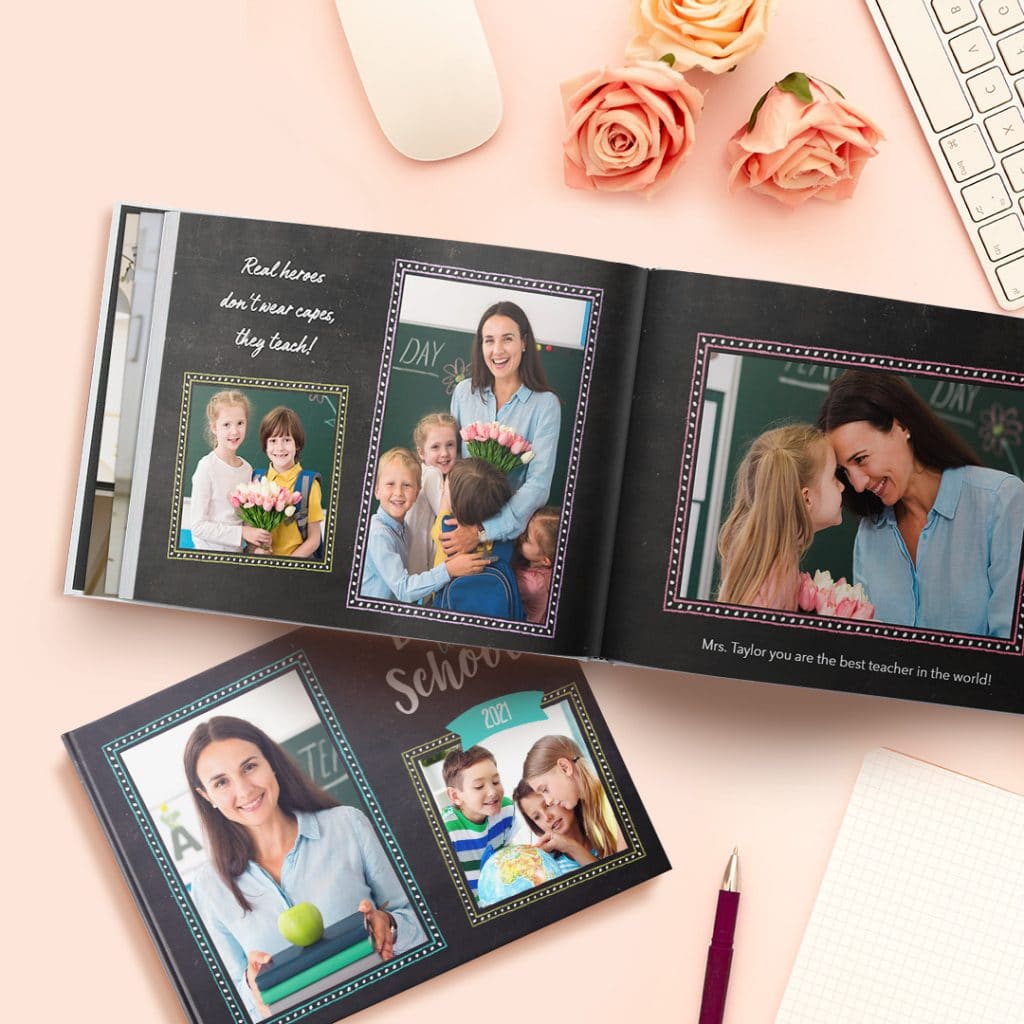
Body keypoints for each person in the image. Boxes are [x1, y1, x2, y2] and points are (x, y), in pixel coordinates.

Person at [184, 716, 425, 1018]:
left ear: (270, 763)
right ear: (207, 797)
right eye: (221, 782)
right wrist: (252, 986)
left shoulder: (347, 824)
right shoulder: (209, 886)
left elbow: (421, 922)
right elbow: (236, 998)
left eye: (249, 766)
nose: (244, 790)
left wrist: (388, 923)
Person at [818, 370, 1024, 637]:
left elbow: (1011, 655)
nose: (857, 485)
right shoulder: (870, 536)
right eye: (845, 471)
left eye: (861, 459)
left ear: (901, 426)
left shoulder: (1001, 502)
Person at [444, 301, 561, 556]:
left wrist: (482, 531)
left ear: (524, 342)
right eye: (489, 340)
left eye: (507, 339)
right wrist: (455, 523)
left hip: (508, 539)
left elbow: (538, 485)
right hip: (456, 526)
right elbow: (452, 463)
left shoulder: (545, 405)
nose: (497, 350)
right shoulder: (465, 393)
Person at [717, 424, 846, 610]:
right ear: (807, 498)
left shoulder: (770, 562)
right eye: (834, 476)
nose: (842, 486)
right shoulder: (779, 576)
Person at [360, 448, 488, 602]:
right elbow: (403, 589)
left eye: (406, 485)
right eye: (390, 484)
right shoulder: (379, 534)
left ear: (417, 493)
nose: (398, 492)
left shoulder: (402, 528)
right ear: (377, 491)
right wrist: (448, 570)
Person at [189, 390, 272, 553]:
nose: (234, 431)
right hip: (208, 555)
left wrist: (257, 542)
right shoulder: (207, 467)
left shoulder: (247, 469)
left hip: (237, 556)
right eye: (226, 424)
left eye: (240, 423)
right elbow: (198, 527)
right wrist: (242, 533)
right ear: (214, 427)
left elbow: (244, 518)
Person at [521, 735, 626, 859]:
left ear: (565, 768)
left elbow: (629, 869)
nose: (548, 801)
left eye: (545, 790)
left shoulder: (616, 801)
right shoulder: (591, 816)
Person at [440, 745, 515, 897]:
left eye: (496, 781)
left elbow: (507, 857)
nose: (493, 792)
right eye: (479, 786)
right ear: (455, 796)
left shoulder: (507, 809)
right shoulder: (446, 830)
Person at [252, 406, 323, 558]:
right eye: (273, 440)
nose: (279, 447)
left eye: (286, 440)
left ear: (297, 444)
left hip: (295, 567)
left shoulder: (308, 484)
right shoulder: (256, 480)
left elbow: (314, 539)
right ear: (265, 445)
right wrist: (256, 550)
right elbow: (249, 529)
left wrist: (287, 565)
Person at [405, 412, 459, 574]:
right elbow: (448, 517)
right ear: (421, 453)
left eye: (450, 445)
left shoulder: (423, 472)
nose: (444, 453)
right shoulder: (431, 474)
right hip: (418, 560)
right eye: (435, 447)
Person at [512, 779, 597, 873]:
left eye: (548, 805)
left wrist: (571, 847)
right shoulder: (549, 868)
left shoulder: (602, 832)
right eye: (537, 817)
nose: (547, 817)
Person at [515, 506, 559, 623]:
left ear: (545, 560)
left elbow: (500, 588)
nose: (521, 536)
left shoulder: (532, 584)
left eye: (527, 539)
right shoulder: (545, 564)